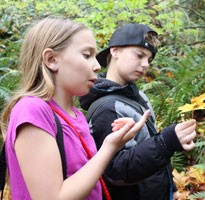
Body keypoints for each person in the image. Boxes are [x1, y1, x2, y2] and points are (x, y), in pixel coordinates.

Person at [0, 17, 150, 200]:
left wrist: (117, 139)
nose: (97, 66)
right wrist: (109, 148)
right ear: (51, 59)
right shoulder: (32, 110)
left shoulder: (76, 115)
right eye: (87, 55)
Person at [79, 23, 197, 200]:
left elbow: (145, 146)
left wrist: (170, 188)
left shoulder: (137, 96)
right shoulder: (107, 108)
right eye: (139, 55)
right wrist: (166, 142)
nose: (145, 65)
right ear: (115, 51)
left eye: (149, 60)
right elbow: (117, 171)